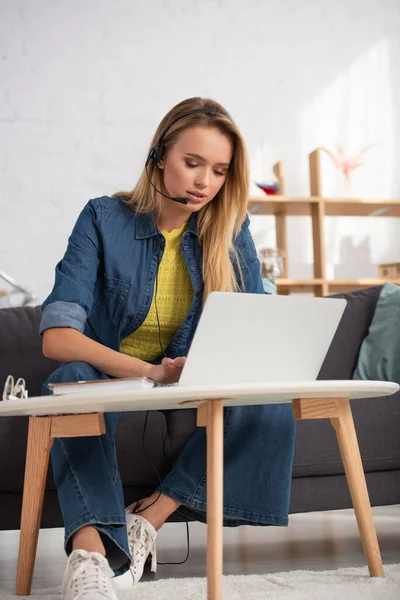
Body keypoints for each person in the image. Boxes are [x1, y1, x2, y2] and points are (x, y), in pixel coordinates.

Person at [40, 97, 296, 600]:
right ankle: (89, 555)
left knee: (268, 396)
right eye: (192, 163)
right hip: (111, 373)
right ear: (159, 156)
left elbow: (246, 328)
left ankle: (149, 519)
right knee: (69, 376)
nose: (204, 182)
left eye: (219, 170)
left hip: (189, 378)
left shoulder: (229, 228)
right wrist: (150, 371)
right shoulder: (102, 218)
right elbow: (57, 337)